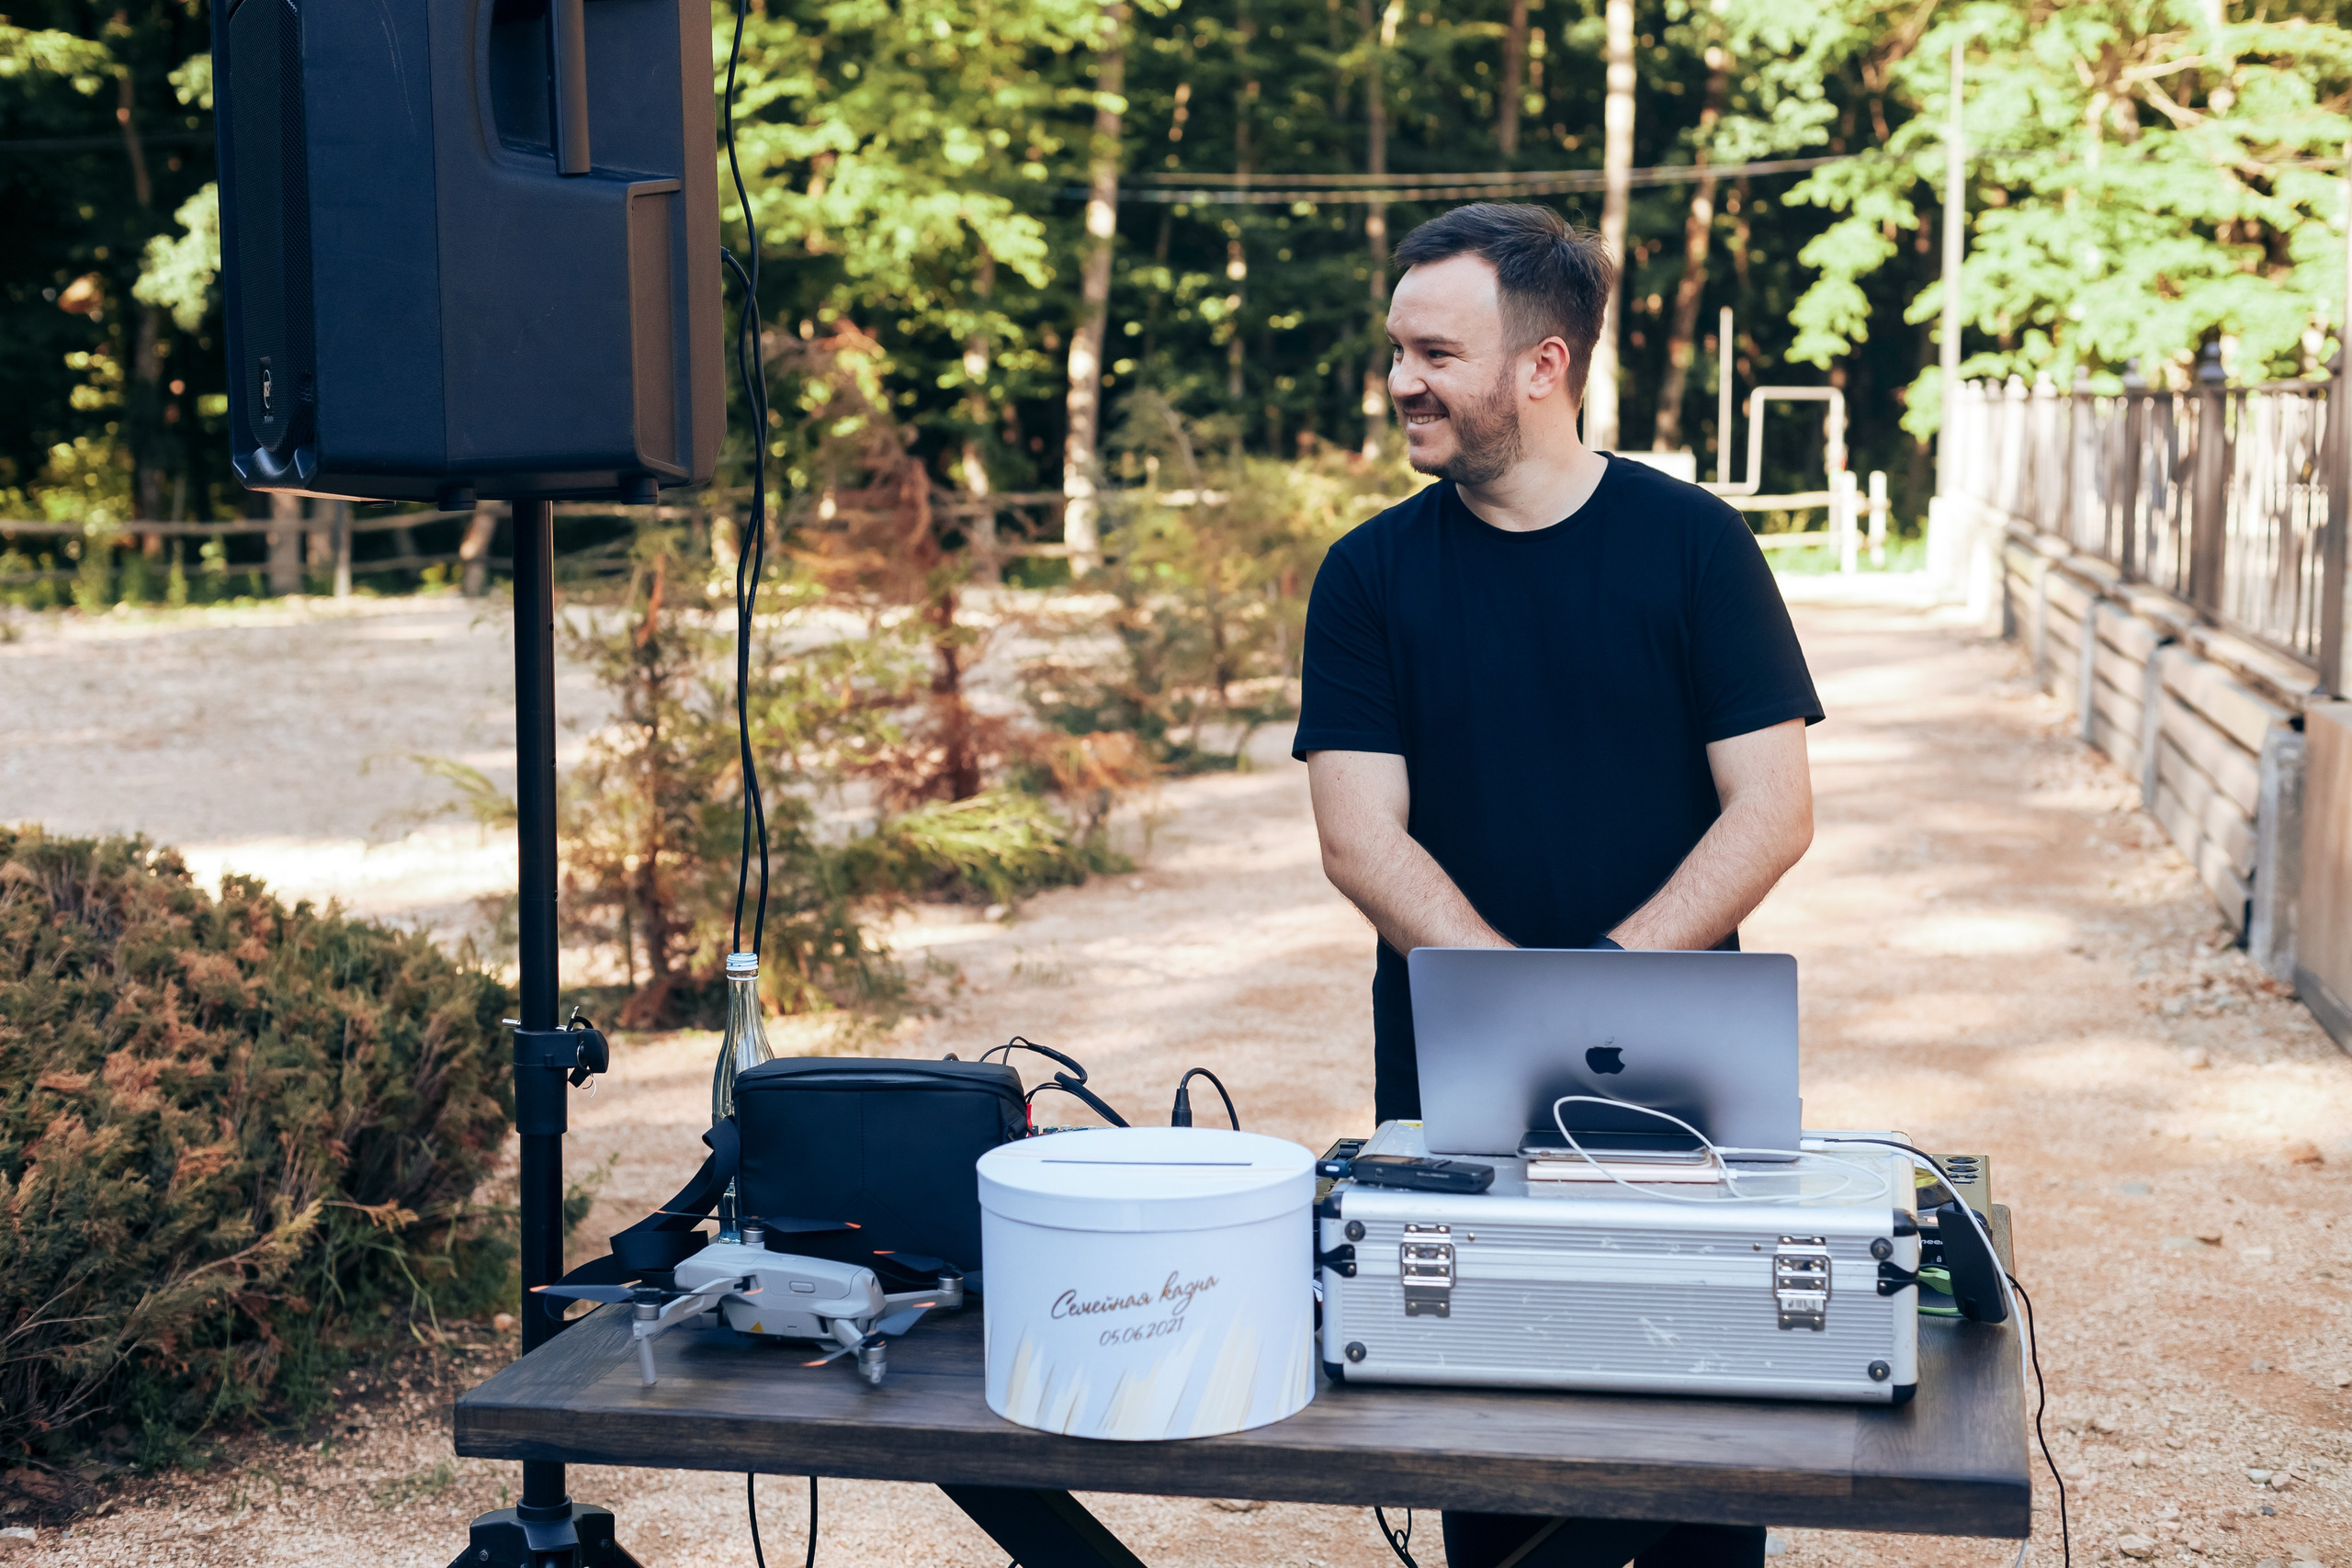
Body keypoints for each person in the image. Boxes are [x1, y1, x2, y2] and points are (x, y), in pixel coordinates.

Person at [1293, 202, 1823, 1568]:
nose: (1401, 381)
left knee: (1705, 1462)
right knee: (1500, 1451)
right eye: (1397, 351)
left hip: (1685, 1077)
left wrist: (1604, 985)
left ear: (1545, 366)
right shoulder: (1366, 577)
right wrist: (1512, 1004)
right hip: (1454, 1079)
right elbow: (1358, 838)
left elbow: (1773, 811)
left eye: (1436, 354)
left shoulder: (1697, 545)